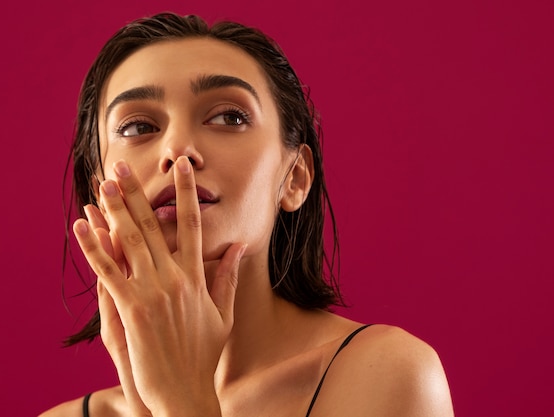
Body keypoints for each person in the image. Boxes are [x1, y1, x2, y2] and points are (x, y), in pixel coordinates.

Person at [41, 12, 453, 417]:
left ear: (295, 178)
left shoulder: (388, 374)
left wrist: (181, 400)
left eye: (229, 117)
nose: (178, 149)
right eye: (137, 127)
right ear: (100, 189)